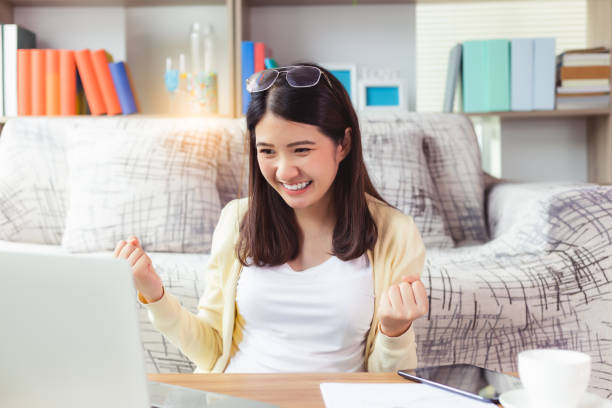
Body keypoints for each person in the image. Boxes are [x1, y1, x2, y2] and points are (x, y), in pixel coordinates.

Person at [113, 63, 428, 373]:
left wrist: (394, 331)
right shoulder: (237, 220)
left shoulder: (395, 233)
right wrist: (153, 292)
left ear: (343, 144)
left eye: (301, 149)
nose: (284, 171)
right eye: (267, 151)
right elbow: (210, 349)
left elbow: (389, 386)